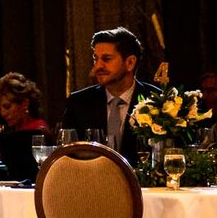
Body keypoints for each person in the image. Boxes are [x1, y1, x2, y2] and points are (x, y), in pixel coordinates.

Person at [61, 28, 163, 159]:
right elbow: (66, 156)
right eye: (95, 59)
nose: (98, 66)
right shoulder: (79, 102)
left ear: (130, 63)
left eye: (106, 59)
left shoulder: (158, 101)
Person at [0, 73, 51, 181]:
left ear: (25, 103)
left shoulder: (39, 132)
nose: (3, 113)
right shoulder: (11, 131)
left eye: (7, 107)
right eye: (0, 108)